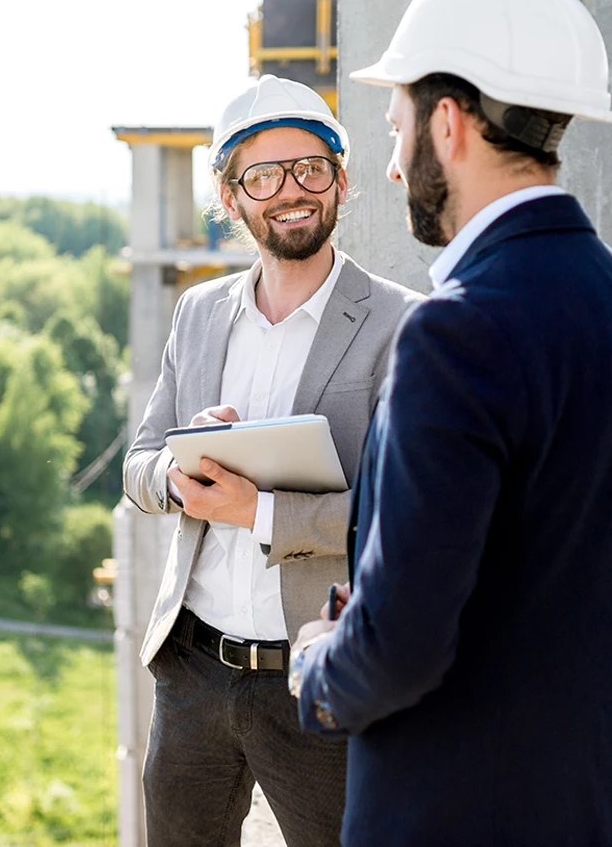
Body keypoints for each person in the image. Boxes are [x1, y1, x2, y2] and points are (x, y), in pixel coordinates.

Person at [291, 0, 612, 847]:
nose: (392, 163)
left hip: (461, 814)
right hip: (605, 808)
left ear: (447, 121)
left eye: (394, 128)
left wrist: (315, 663)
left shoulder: (453, 333)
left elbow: (399, 648)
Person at [123, 74, 422, 847]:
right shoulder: (199, 314)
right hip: (192, 666)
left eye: (308, 168)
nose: (290, 191)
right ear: (231, 198)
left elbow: (406, 519)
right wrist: (175, 478)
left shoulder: (402, 325)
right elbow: (139, 464)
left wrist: (251, 509)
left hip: (318, 671)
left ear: (340, 180)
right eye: (262, 175)